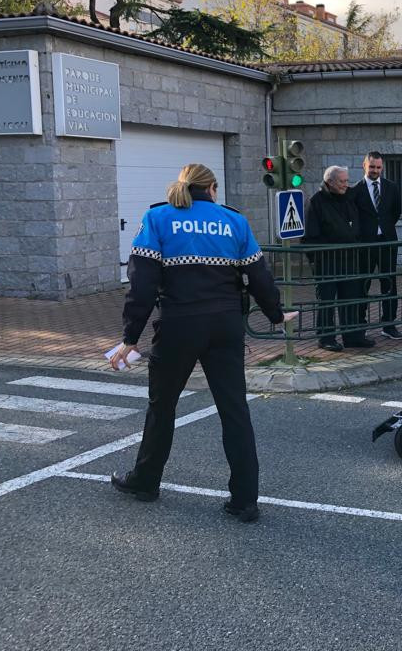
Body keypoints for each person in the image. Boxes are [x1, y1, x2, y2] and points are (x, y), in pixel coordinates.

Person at [108, 163, 296, 523]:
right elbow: (258, 275)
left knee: (162, 408)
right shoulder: (234, 221)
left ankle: (145, 482)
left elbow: (142, 284)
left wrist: (130, 337)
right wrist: (275, 313)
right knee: (234, 411)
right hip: (225, 325)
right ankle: (245, 501)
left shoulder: (159, 219)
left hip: (179, 325)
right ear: (212, 188)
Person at [305, 166, 374, 351]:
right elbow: (310, 236)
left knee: (350, 299)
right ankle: (325, 338)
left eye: (347, 181)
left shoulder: (348, 199)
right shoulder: (316, 202)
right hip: (326, 261)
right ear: (330, 182)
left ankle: (352, 337)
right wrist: (317, 260)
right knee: (327, 300)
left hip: (349, 259)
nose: (346, 185)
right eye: (342, 181)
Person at [351, 151, 402, 339]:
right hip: (365, 245)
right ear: (364, 166)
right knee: (362, 285)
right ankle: (360, 326)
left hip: (387, 242)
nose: (375, 170)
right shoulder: (355, 190)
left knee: (390, 284)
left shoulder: (392, 188)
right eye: (372, 167)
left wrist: (384, 229)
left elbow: (396, 212)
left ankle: (389, 325)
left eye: (378, 167)